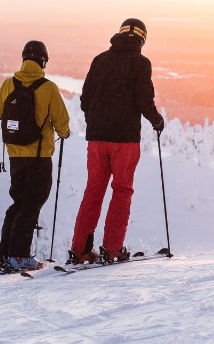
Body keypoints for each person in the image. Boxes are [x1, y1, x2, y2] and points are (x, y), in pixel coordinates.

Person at [68, 18, 164, 264]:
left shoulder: (100, 60)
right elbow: (144, 100)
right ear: (142, 38)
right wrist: (157, 120)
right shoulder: (141, 63)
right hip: (125, 140)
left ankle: (80, 250)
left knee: (94, 190)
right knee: (121, 191)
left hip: (97, 138)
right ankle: (112, 249)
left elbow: (84, 101)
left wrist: (99, 119)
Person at [0, 40, 70, 271]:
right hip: (39, 157)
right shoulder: (48, 88)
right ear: (43, 61)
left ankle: (6, 254)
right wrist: (64, 133)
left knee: (18, 202)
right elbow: (61, 122)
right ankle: (19, 256)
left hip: (15, 155)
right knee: (32, 204)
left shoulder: (9, 84)